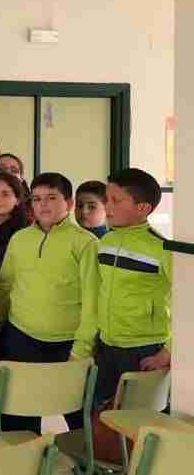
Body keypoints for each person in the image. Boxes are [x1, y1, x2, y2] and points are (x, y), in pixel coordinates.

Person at [0, 172, 98, 434]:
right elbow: (4, 287)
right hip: (20, 339)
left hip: (67, 346)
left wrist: (81, 349)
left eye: (52, 198)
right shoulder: (20, 239)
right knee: (17, 418)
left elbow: (93, 301)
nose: (43, 205)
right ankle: (21, 470)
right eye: (37, 199)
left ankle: (87, 473)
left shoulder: (86, 243)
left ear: (69, 203)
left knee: (77, 419)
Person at [71, 168, 171, 407]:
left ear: (143, 208)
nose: (108, 206)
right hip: (105, 347)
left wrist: (167, 352)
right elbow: (95, 296)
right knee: (101, 414)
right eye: (107, 199)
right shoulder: (104, 243)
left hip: (144, 350)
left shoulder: (163, 249)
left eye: (116, 200)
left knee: (139, 422)